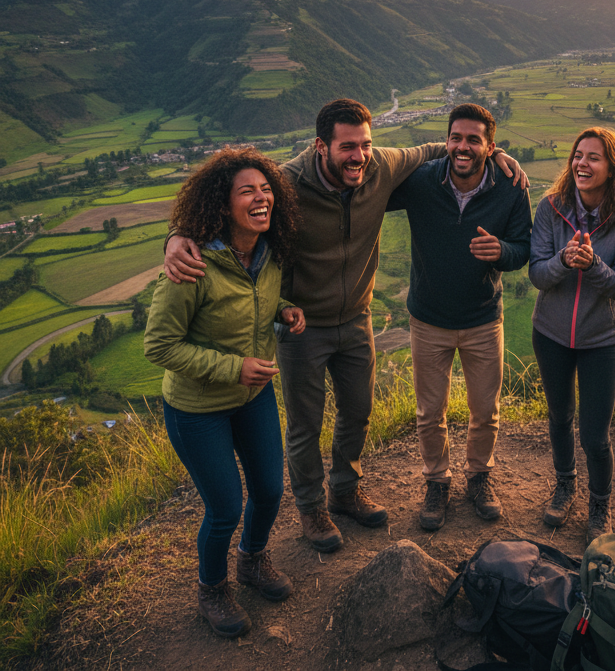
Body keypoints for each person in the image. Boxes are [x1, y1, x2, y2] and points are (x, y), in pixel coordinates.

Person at [164, 98, 525, 553]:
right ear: (321, 147)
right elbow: (226, 202)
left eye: (366, 145)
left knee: (357, 412)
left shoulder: (381, 165)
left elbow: (439, 148)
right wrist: (176, 235)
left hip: (357, 317)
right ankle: (312, 507)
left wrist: (497, 154)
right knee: (305, 423)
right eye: (348, 147)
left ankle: (345, 490)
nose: (359, 156)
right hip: (301, 325)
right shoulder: (287, 182)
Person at [144, 147, 306, 639]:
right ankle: (211, 587)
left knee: (271, 491)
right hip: (197, 409)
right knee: (225, 509)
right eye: (247, 191)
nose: (261, 198)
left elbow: (257, 300)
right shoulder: (191, 264)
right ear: (222, 203)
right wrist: (233, 367)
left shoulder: (268, 252)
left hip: (251, 398)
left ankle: (253, 561)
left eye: (265, 190)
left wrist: (284, 311)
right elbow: (159, 344)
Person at [387, 104, 532, 530]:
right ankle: (436, 482)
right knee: (430, 412)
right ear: (446, 140)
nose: (462, 147)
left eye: (473, 139)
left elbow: (522, 248)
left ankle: (479, 476)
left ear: (490, 146)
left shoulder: (509, 187)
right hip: (428, 319)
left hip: (483, 319)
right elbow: (369, 185)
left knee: (485, 410)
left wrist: (501, 252)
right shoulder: (421, 181)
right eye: (456, 138)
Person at [529, 127, 615, 542]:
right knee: (559, 417)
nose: (582, 163)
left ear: (613, 166)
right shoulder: (551, 208)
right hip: (550, 333)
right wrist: (564, 259)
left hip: (602, 340)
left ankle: (600, 503)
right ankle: (565, 485)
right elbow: (538, 275)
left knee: (595, 435)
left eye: (593, 157)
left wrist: (592, 264)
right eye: (578, 155)